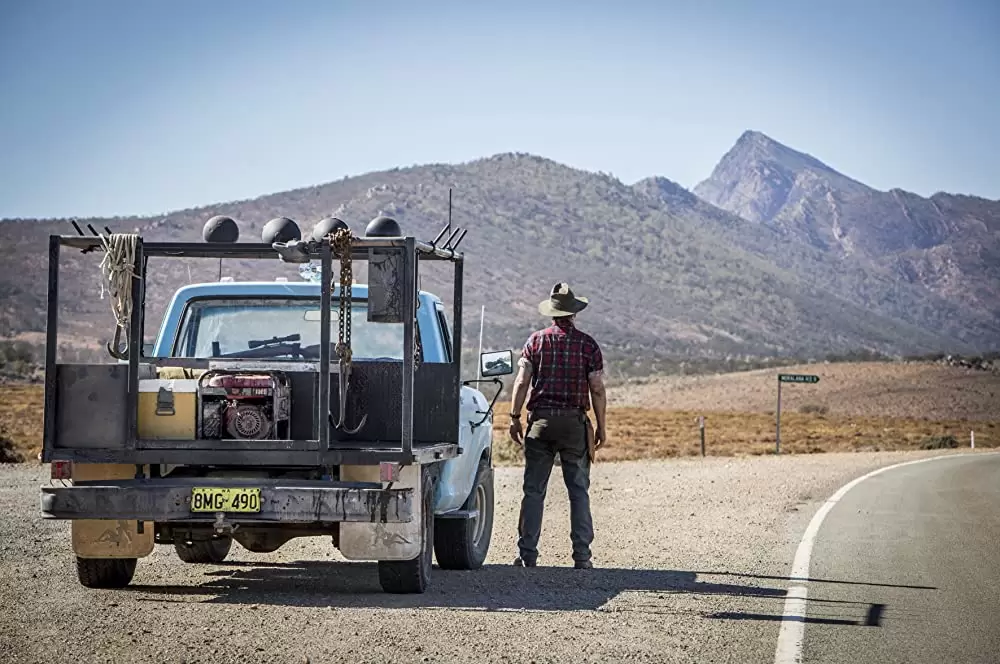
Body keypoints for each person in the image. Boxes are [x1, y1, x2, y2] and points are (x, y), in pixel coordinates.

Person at [508, 282, 607, 569]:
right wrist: (601, 425)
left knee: (534, 490)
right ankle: (582, 556)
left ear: (552, 313)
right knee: (578, 490)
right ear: (574, 313)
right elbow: (597, 389)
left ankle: (527, 554)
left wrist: (515, 417)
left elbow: (522, 381)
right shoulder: (588, 345)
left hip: (540, 422)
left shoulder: (536, 341)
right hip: (574, 425)